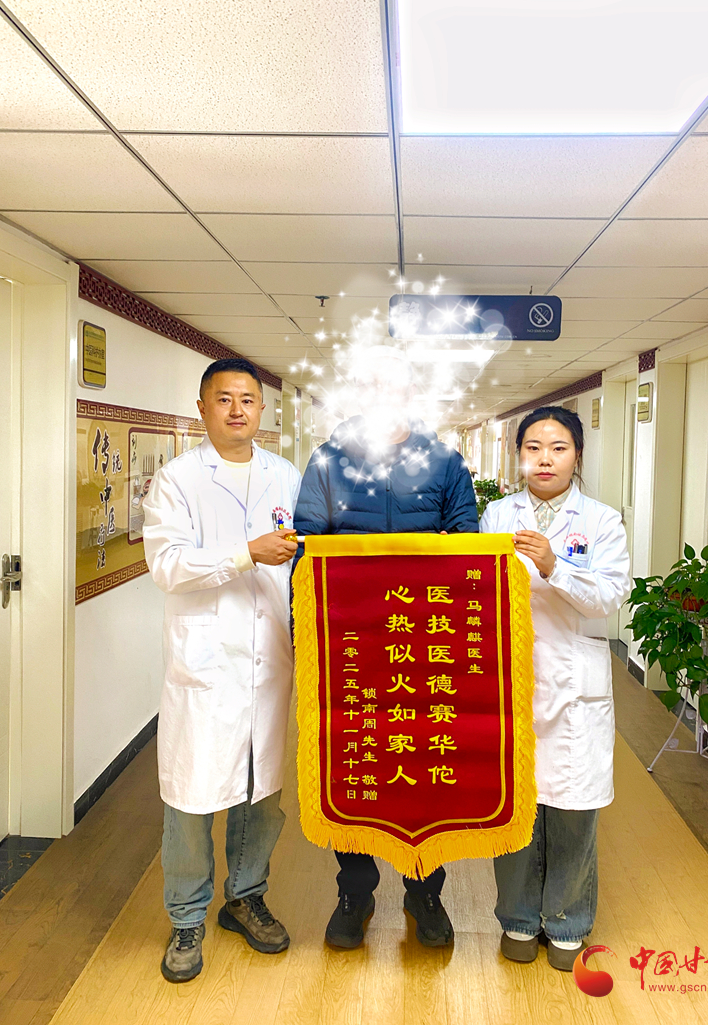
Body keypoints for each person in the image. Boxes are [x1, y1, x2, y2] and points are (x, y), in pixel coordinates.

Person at [293, 345, 478, 950]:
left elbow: (467, 545)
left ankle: (424, 890)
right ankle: (355, 891)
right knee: (355, 760)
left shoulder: (445, 460)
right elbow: (307, 547)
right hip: (351, 639)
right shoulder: (329, 459)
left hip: (425, 641)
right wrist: (305, 633)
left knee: (426, 765)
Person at [143, 357, 301, 983]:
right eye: (225, 399)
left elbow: (306, 561)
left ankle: (245, 897)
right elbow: (168, 566)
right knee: (191, 797)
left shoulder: (285, 476)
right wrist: (246, 554)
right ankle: (185, 919)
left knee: (262, 794)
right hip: (206, 665)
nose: (238, 410)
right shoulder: (178, 479)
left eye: (248, 400)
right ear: (203, 408)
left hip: (270, 662)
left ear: (262, 409)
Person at [479, 406, 630, 971]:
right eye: (534, 447)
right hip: (511, 680)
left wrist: (553, 567)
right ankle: (518, 919)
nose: (545, 459)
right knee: (514, 807)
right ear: (519, 455)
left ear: (577, 456)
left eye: (558, 447)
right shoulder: (497, 515)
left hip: (573, 683)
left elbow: (609, 597)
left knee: (572, 810)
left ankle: (567, 923)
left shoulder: (602, 521)